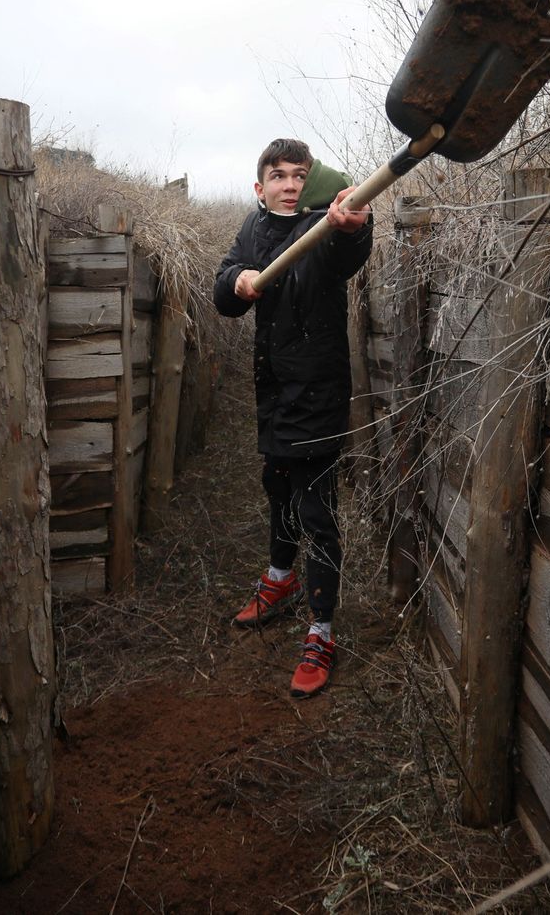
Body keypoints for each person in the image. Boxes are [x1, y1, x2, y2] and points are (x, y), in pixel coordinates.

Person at [213, 137, 373, 697]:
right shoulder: (254, 231)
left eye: (299, 175)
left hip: (319, 394)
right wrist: (235, 280)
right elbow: (226, 290)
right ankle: (281, 578)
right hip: (274, 392)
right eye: (277, 176)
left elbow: (350, 251)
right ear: (260, 187)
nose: (289, 184)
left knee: (316, 509)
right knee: (275, 487)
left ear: (312, 182)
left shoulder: (325, 228)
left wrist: (352, 225)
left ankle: (321, 629)